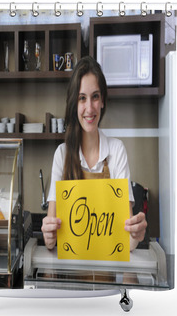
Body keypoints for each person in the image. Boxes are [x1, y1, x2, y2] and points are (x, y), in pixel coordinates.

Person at [41, 56, 147, 251]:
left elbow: (127, 243)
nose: (89, 108)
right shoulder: (62, 155)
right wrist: (48, 233)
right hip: (68, 276)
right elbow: (51, 242)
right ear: (74, 103)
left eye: (95, 96)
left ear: (103, 101)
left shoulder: (116, 151)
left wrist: (136, 234)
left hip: (107, 275)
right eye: (82, 98)